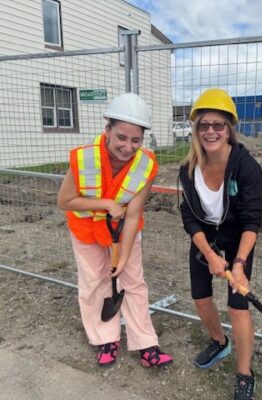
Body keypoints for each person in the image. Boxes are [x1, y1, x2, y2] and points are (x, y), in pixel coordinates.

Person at [57, 92, 173, 369]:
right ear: (107, 129)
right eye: (122, 137)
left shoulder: (146, 164)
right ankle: (105, 339)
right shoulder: (84, 158)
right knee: (94, 282)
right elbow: (64, 200)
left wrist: (122, 257)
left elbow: (133, 214)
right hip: (86, 230)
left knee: (133, 282)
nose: (128, 146)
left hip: (123, 230)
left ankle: (146, 344)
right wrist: (106, 203)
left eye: (136, 140)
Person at [178, 88, 262, 400]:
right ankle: (219, 341)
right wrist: (209, 254)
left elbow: (253, 221)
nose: (211, 131)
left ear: (229, 128)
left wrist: (238, 263)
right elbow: (189, 217)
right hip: (205, 239)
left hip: (238, 240)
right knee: (201, 299)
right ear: (195, 129)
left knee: (237, 305)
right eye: (204, 125)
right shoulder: (187, 169)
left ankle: (245, 372)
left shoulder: (246, 167)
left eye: (218, 125)